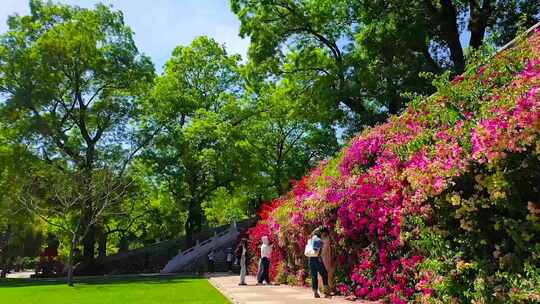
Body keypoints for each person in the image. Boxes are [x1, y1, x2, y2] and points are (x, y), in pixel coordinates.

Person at [306, 228, 330, 298]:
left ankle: (315, 292)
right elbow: (316, 249)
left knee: (314, 276)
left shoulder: (311, 238)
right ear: (321, 233)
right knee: (324, 273)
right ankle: (326, 291)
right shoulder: (318, 239)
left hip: (310, 259)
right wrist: (319, 255)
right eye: (324, 234)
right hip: (317, 259)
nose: (324, 236)